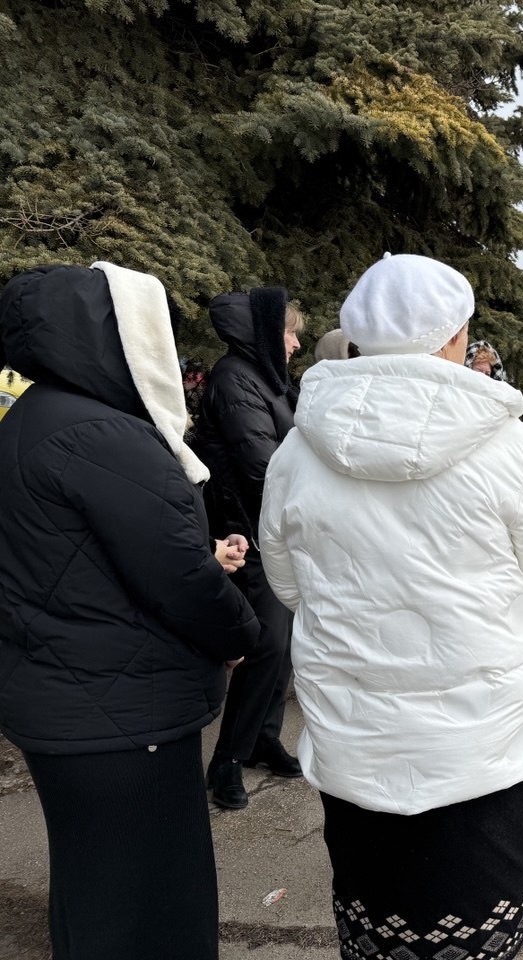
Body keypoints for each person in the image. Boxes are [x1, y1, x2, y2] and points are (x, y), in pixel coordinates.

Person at [259, 253, 523, 959]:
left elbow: (286, 582)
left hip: (356, 740)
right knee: (476, 921)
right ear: (454, 336)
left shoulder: (297, 447)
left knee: (377, 920)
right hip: (477, 745)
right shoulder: (502, 444)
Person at [0, 263, 260, 960]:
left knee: (94, 896)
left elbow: (75, 560)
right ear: (108, 336)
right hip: (122, 715)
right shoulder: (104, 434)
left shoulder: (31, 417)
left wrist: (196, 555)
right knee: (152, 911)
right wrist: (238, 631)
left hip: (69, 703)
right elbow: (176, 580)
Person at [194, 287, 304, 809]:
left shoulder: (266, 378)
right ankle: (226, 762)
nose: (296, 343)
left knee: (284, 646)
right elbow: (264, 466)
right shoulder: (234, 378)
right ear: (264, 331)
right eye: (290, 331)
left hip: (276, 529)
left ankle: (263, 739)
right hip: (251, 532)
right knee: (266, 645)